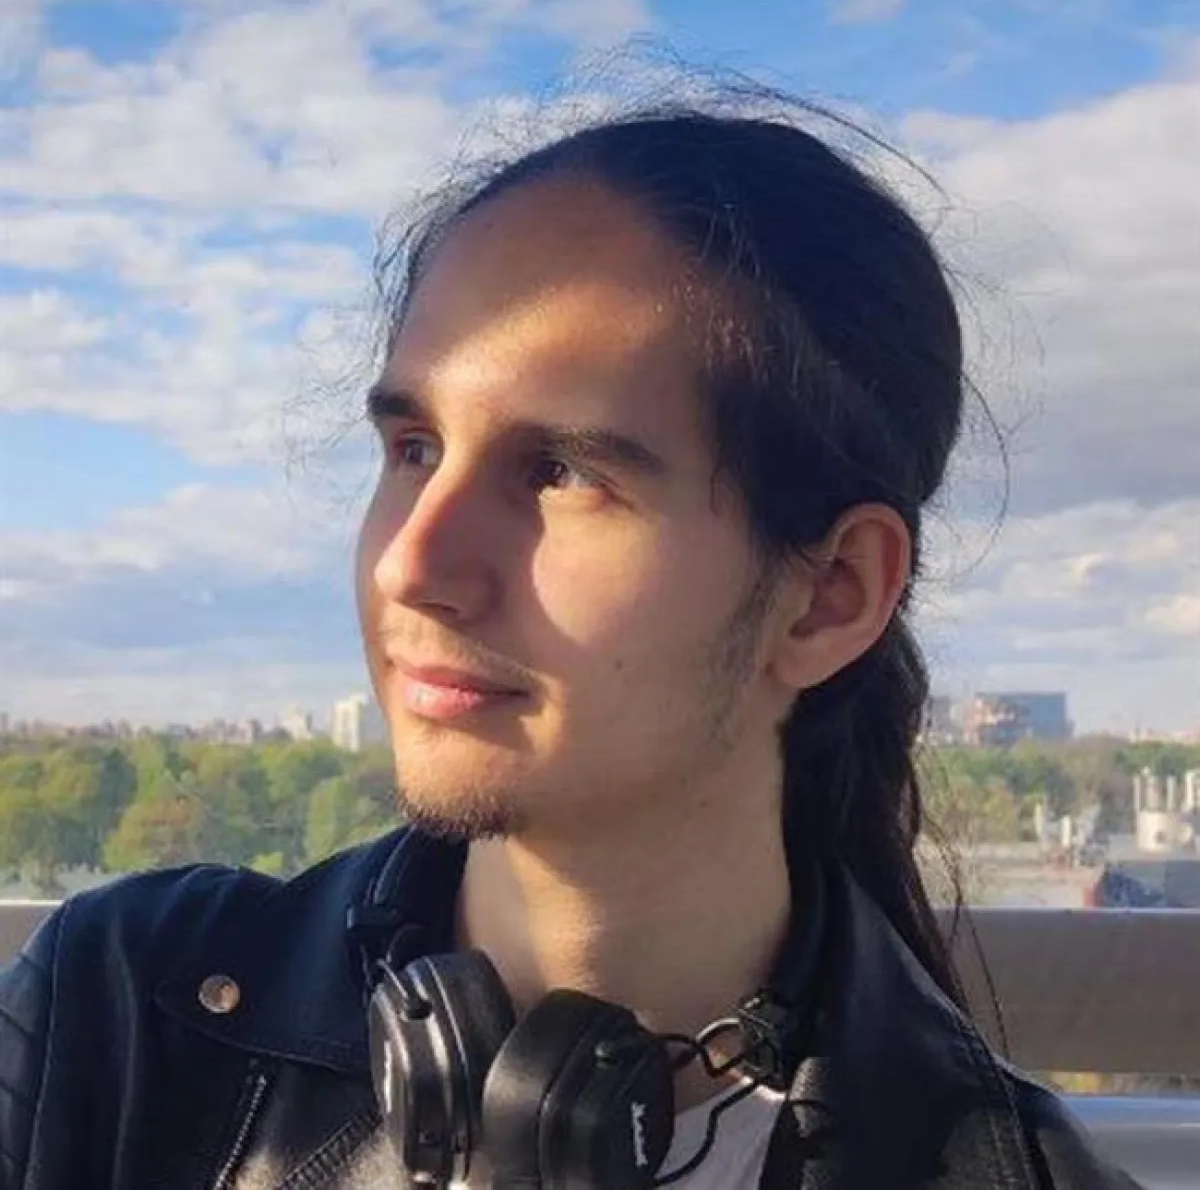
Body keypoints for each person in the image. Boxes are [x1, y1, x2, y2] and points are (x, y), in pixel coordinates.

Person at [0, 93, 1143, 1189]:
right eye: (412, 449)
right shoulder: (118, 1017)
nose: (412, 567)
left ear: (828, 597)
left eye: (558, 472)